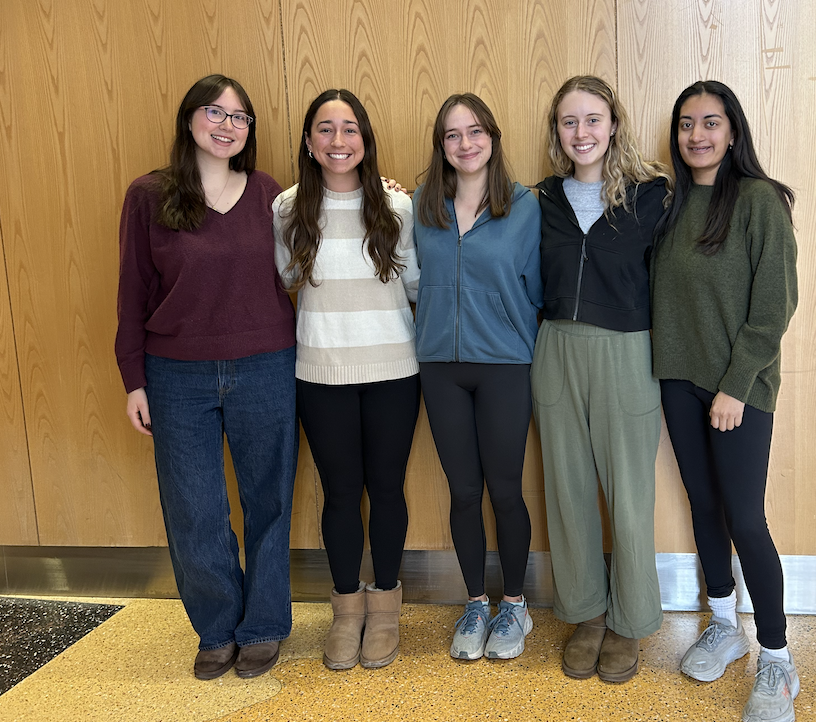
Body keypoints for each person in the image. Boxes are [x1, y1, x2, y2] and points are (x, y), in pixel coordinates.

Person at [115, 74, 297, 680]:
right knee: (194, 507)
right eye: (215, 113)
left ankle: (264, 625)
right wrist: (133, 378)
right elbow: (132, 292)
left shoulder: (269, 193)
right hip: (176, 377)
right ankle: (217, 629)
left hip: (266, 365)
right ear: (188, 119)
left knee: (268, 500)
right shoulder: (149, 195)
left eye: (240, 117)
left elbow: (315, 247)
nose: (227, 125)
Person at [650, 80, 799, 722]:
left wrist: (736, 386)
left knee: (745, 516)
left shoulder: (761, 201)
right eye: (687, 124)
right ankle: (722, 625)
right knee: (703, 507)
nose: (697, 135)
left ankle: (776, 656)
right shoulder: (671, 203)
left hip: (740, 388)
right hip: (678, 381)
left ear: (733, 131)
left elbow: (774, 306)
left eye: (711, 123)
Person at [273, 89, 419, 671]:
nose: (339, 141)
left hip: (393, 369)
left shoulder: (396, 207)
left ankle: (385, 609)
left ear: (366, 140)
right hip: (320, 371)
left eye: (350, 129)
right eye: (326, 130)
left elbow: (413, 284)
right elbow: (286, 276)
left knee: (386, 489)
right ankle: (346, 611)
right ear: (309, 142)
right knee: (339, 493)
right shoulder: (287, 208)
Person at [531, 75, 671, 683]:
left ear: (613, 124)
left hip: (628, 352)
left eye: (592, 119)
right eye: (569, 122)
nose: (581, 132)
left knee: (630, 496)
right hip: (556, 348)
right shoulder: (538, 199)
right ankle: (586, 611)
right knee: (566, 488)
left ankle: (630, 620)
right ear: (557, 132)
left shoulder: (654, 195)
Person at [412, 93, 543, 661]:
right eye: (452, 135)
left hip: (505, 367)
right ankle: (474, 603)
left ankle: (514, 605)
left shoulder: (524, 206)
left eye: (475, 131)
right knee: (464, 492)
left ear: (492, 136)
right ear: (441, 146)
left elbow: (537, 289)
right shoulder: (423, 204)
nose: (465, 144)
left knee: (506, 490)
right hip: (440, 367)